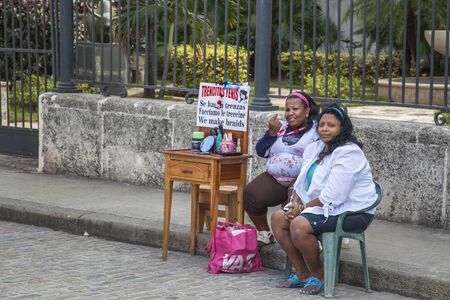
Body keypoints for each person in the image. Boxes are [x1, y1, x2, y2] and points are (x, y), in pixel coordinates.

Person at [271, 103, 377, 295]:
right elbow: (301, 181)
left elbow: (334, 195)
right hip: (319, 207)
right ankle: (302, 273)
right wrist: (294, 202)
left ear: (342, 128)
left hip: (351, 211)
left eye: (331, 125)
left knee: (299, 225)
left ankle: (319, 275)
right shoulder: (316, 147)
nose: (325, 129)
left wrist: (301, 208)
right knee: (279, 218)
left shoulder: (349, 152)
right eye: (322, 125)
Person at [244, 91, 320, 248]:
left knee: (289, 209)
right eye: (287, 110)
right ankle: (265, 233)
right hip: (275, 179)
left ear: (307, 111)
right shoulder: (280, 128)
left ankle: (304, 242)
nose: (290, 113)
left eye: (295, 109)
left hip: (301, 181)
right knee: (251, 193)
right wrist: (271, 134)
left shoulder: (316, 130)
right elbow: (261, 151)